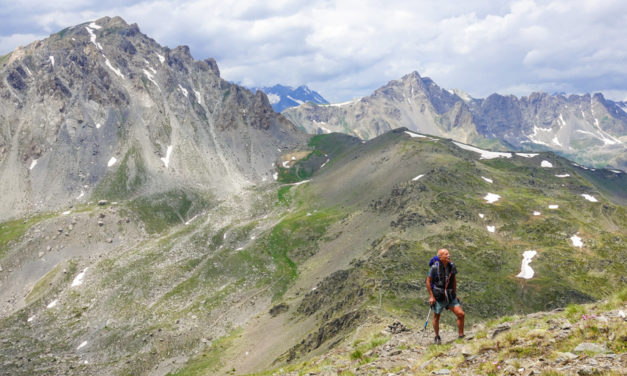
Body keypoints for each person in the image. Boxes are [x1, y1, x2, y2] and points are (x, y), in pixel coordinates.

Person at [426, 248, 465, 344]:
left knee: (461, 314)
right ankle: (437, 336)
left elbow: (454, 281)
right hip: (438, 296)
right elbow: (428, 281)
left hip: (450, 295)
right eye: (446, 254)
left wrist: (455, 294)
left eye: (448, 253)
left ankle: (461, 335)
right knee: (436, 316)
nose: (448, 255)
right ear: (440, 257)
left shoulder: (452, 266)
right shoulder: (434, 267)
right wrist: (431, 296)